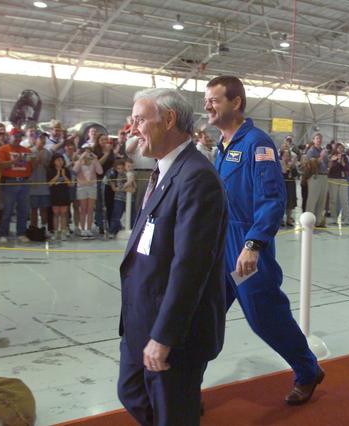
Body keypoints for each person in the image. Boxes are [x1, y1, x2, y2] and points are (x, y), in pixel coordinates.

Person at [206, 75, 324, 405]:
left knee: (263, 316)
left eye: (214, 99)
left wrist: (253, 244)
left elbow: (271, 199)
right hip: (221, 247)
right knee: (206, 314)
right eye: (208, 100)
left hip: (245, 247)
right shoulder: (223, 145)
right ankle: (186, 384)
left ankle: (307, 370)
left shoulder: (257, 143)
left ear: (236, 103)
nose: (208, 106)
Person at [118, 87, 228, 426]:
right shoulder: (164, 170)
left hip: (174, 332)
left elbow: (190, 268)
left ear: (168, 120)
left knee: (173, 413)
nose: (132, 129)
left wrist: (164, 336)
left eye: (139, 120)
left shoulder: (196, 177)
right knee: (132, 392)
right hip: (144, 317)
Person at [0, 128, 33, 243]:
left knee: (24, 209)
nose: (17, 139)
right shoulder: (3, 149)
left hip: (24, 182)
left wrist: (34, 161)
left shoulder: (27, 150)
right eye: (15, 136)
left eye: (19, 137)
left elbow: (31, 167)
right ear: (9, 136)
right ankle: (3, 233)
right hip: (10, 182)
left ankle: (21, 232)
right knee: (8, 209)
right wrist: (14, 161)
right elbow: (0, 165)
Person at [73, 146, 102, 239]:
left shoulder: (93, 162)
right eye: (85, 152)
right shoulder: (80, 162)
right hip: (81, 187)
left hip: (92, 187)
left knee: (90, 209)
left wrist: (96, 159)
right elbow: (74, 170)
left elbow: (100, 172)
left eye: (89, 152)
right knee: (83, 209)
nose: (87, 154)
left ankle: (89, 229)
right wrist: (81, 158)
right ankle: (82, 229)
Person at [305, 133, 329, 227]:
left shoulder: (324, 151)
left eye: (320, 138)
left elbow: (327, 164)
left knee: (322, 199)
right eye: (317, 138)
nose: (319, 140)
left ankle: (318, 221)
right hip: (315, 176)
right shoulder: (311, 151)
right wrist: (321, 158)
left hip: (324, 176)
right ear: (313, 140)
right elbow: (310, 163)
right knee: (313, 199)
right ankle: (308, 221)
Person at [47, 153, 73, 241]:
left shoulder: (66, 170)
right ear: (54, 161)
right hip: (54, 194)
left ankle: (63, 232)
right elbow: (49, 184)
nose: (60, 162)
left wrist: (64, 175)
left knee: (63, 213)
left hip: (64, 194)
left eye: (61, 160)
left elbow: (70, 184)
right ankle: (55, 232)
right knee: (55, 213)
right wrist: (58, 175)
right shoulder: (50, 170)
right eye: (58, 160)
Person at [327, 142, 349, 225]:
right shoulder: (331, 157)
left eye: (342, 148)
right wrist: (333, 161)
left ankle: (346, 218)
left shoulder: (345, 157)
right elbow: (329, 169)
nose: (340, 149)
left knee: (344, 199)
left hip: (343, 179)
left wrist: (342, 162)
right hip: (333, 179)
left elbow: (348, 168)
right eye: (339, 148)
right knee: (333, 199)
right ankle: (334, 217)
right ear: (335, 149)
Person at [280, 149, 298, 226]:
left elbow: (296, 174)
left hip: (290, 184)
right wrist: (285, 164)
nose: (287, 157)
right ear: (282, 156)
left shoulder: (292, 164)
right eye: (285, 155)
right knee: (282, 201)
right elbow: (283, 172)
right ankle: (280, 219)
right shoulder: (279, 163)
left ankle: (289, 218)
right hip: (282, 184)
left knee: (290, 201)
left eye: (288, 155)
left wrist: (292, 166)